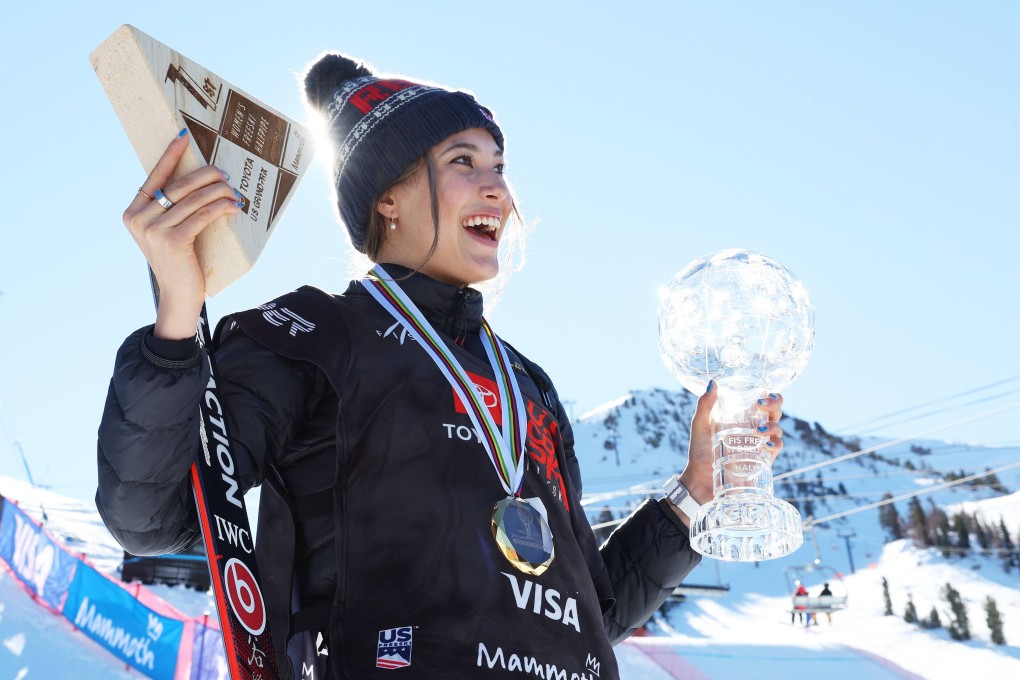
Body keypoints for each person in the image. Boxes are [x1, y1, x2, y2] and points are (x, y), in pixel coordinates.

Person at [96, 53, 788, 679]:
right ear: (387, 199)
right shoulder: (316, 335)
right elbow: (154, 517)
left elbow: (587, 614)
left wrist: (699, 489)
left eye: (500, 168)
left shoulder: (527, 385)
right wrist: (176, 324)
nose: (500, 193)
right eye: (464, 163)